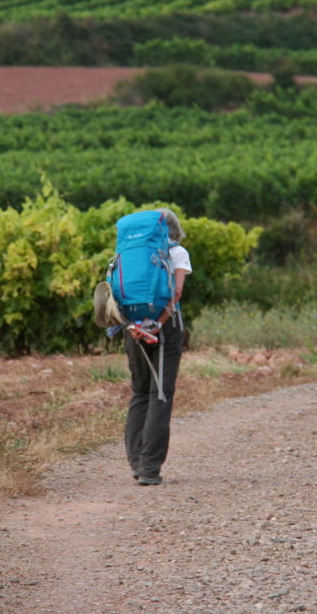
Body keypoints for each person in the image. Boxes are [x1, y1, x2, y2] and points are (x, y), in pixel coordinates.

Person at [124, 208, 191, 486]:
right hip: (164, 329)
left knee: (140, 392)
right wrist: (159, 323)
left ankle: (137, 462)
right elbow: (176, 293)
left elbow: (116, 294)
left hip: (133, 330)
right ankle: (150, 468)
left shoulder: (126, 253)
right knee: (160, 394)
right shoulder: (177, 252)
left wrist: (134, 326)